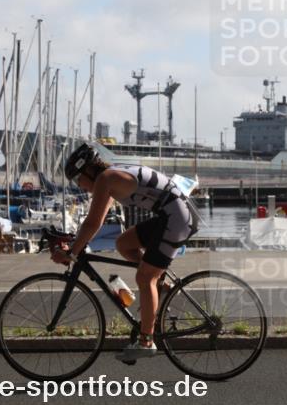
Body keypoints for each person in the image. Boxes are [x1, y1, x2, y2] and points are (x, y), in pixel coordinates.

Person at [53, 142, 197, 361]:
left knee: (145, 278)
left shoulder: (106, 179)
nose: (79, 185)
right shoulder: (110, 177)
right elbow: (96, 222)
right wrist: (75, 244)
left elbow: (92, 223)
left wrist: (72, 252)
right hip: (171, 215)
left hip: (177, 219)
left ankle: (146, 342)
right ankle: (161, 287)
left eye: (77, 179)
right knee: (123, 243)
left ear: (88, 170)